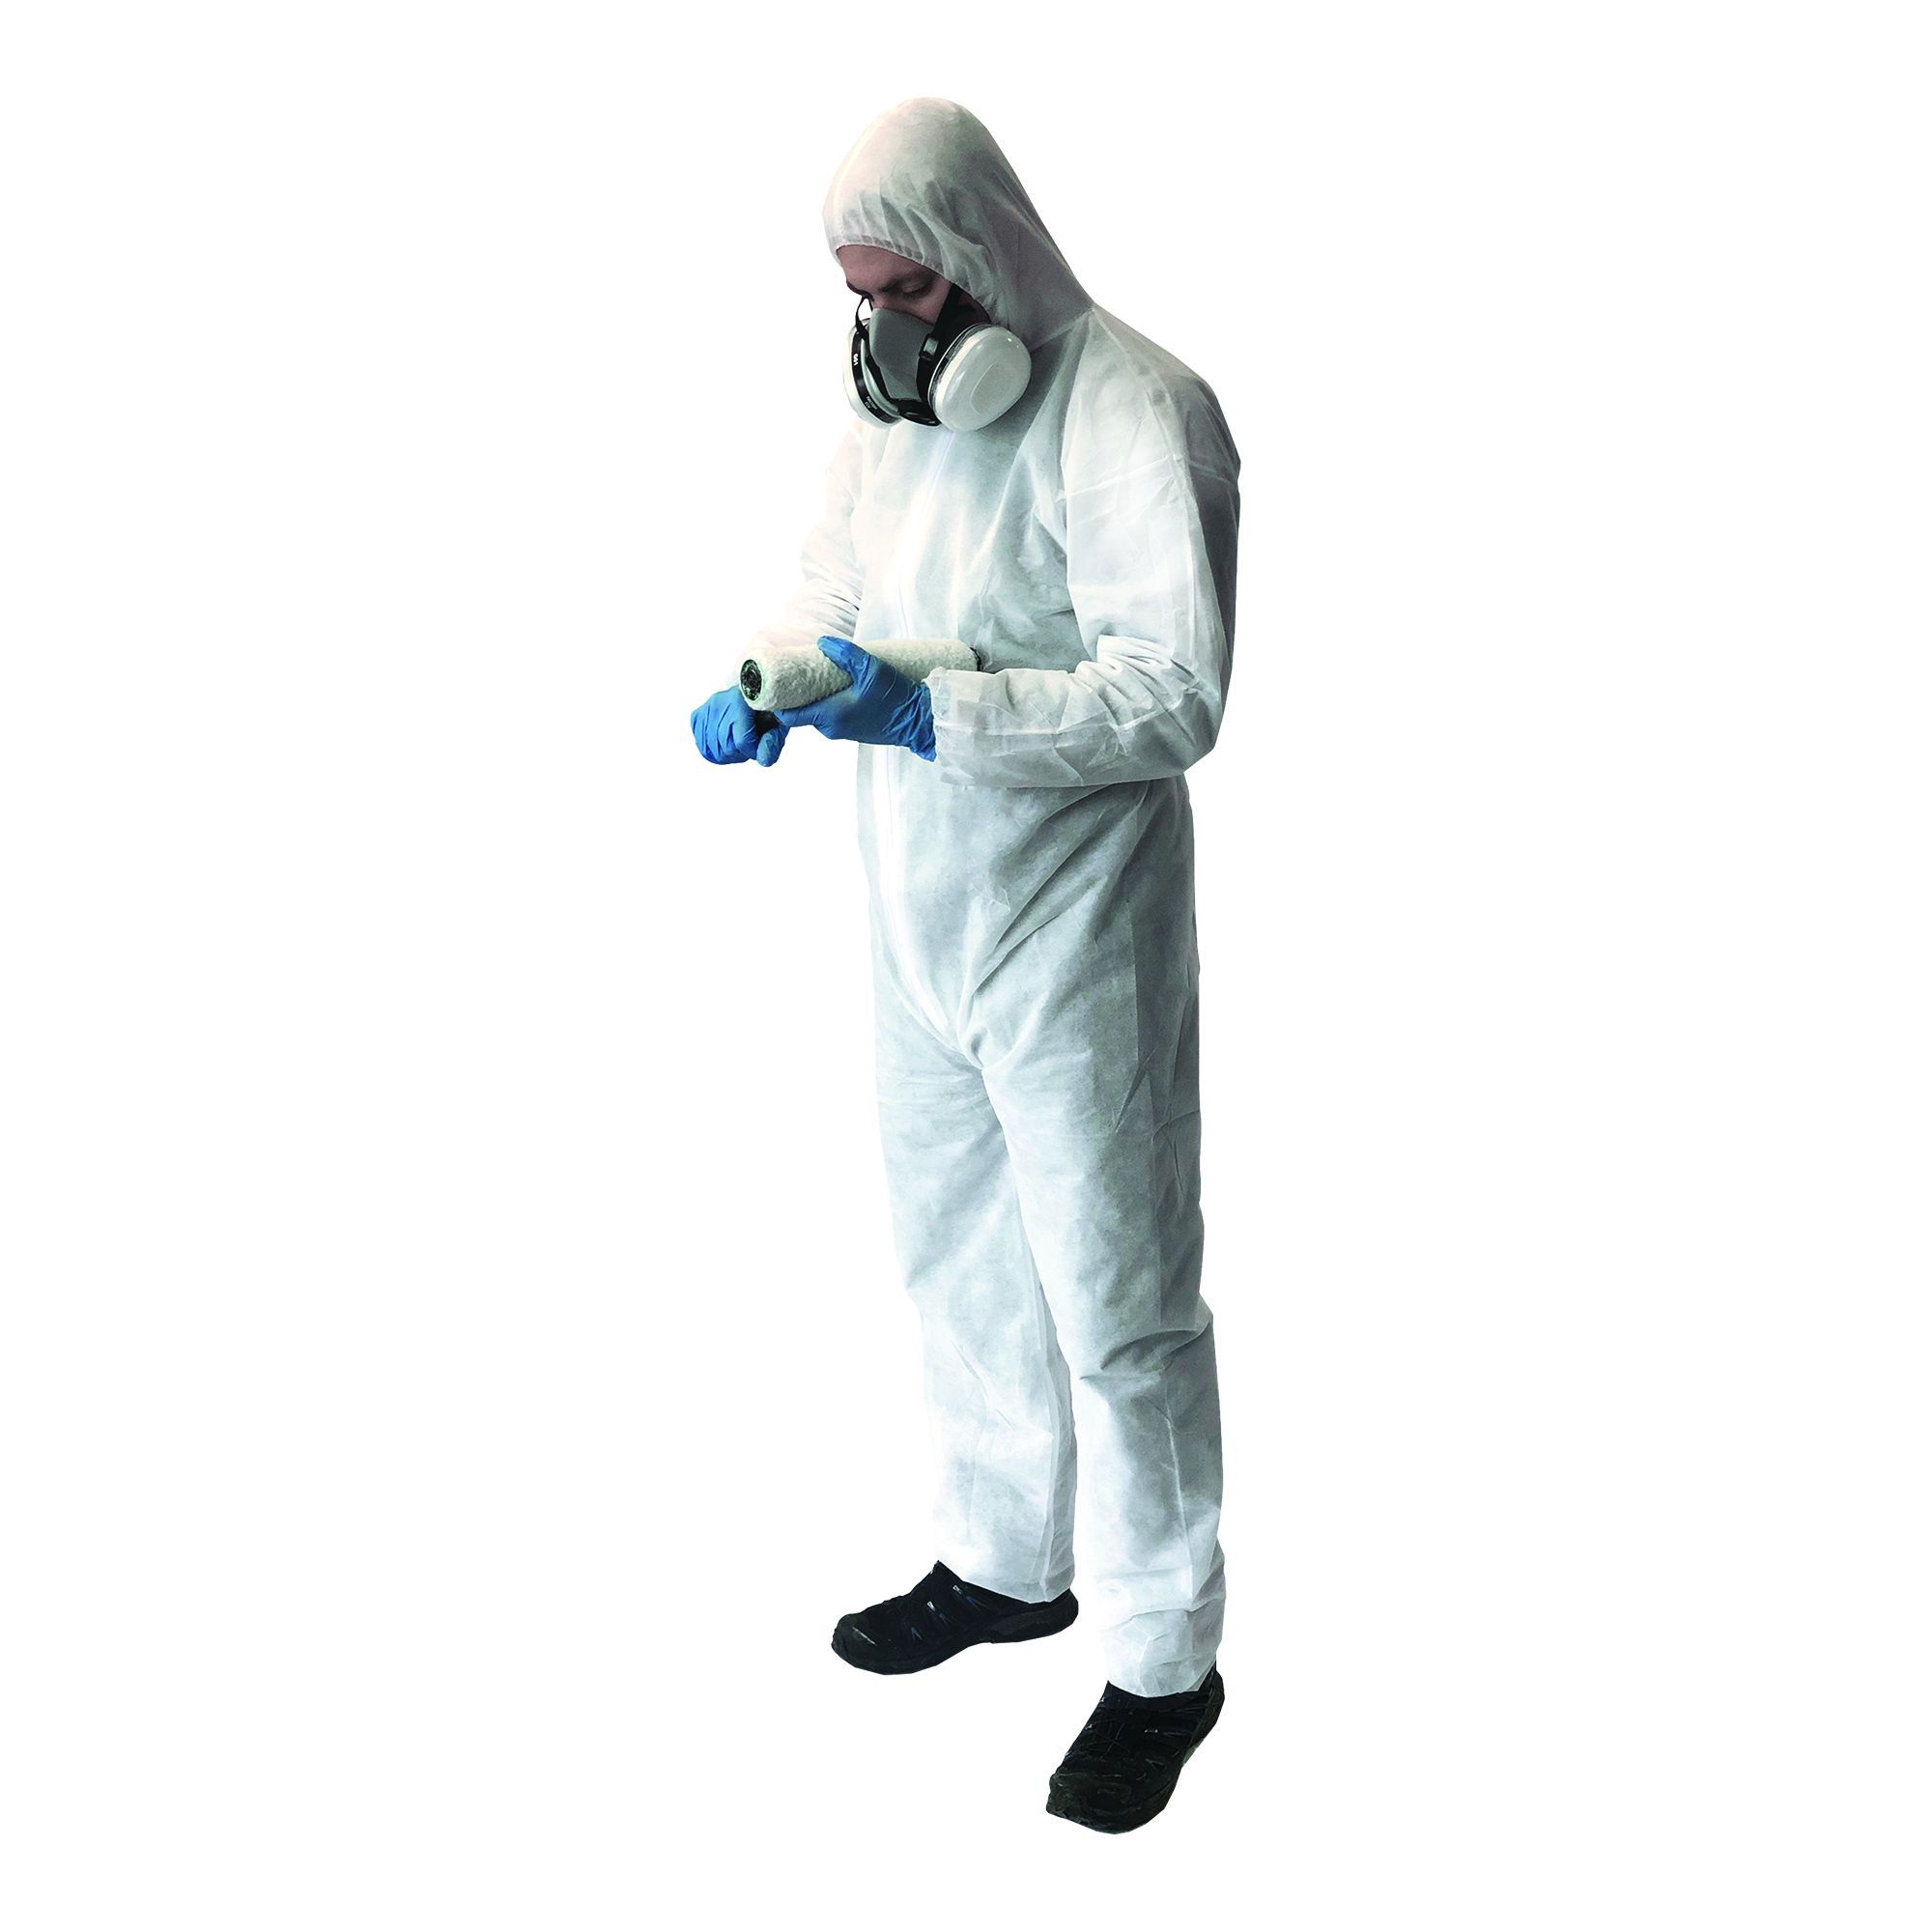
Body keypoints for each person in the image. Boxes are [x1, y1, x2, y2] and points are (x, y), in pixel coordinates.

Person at [690, 98, 1239, 1834]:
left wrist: (938, 709)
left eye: (908, 292)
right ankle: (1005, 1562)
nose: (886, 332)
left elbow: (1174, 695)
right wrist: (780, 677)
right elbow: (829, 590)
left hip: (1075, 934)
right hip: (918, 913)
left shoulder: (1137, 409)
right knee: (960, 1264)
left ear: (983, 255)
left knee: (1120, 1301)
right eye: (859, 299)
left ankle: (1166, 1661)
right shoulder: (896, 420)